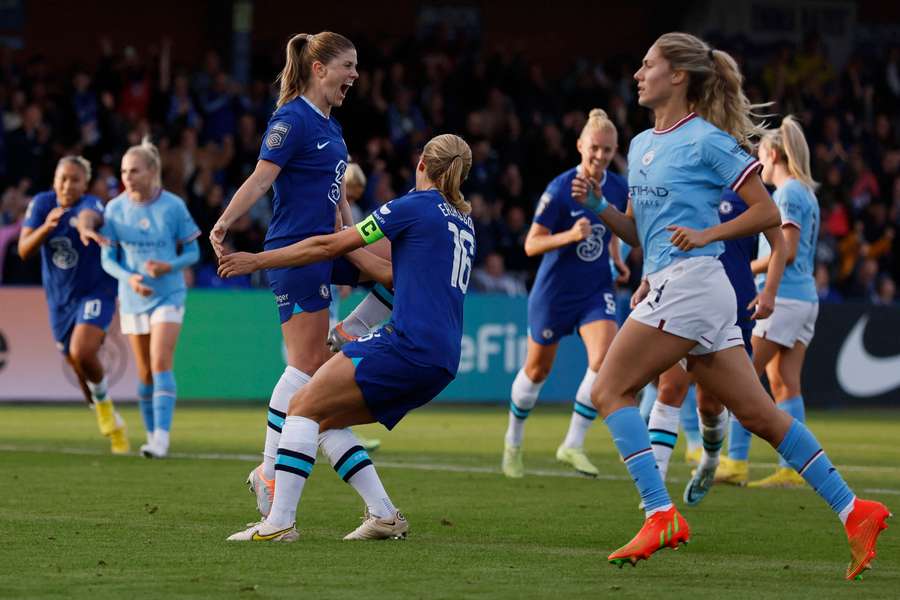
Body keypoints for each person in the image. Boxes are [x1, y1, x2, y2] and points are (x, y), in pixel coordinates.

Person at [579, 32, 888, 579]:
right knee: (760, 414)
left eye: (647, 64)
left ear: (678, 76)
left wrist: (708, 235)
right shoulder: (644, 144)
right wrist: (600, 205)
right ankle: (854, 510)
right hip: (685, 285)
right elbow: (639, 235)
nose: (637, 74)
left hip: (694, 284)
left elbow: (768, 216)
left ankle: (660, 512)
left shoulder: (706, 141)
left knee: (608, 388)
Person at [219, 134, 474, 542]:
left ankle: (279, 522)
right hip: (441, 360)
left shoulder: (412, 207)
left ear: (422, 162)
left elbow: (327, 245)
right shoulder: (462, 220)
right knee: (323, 417)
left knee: (301, 406)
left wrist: (258, 260)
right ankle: (385, 515)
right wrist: (347, 226)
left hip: (406, 345)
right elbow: (393, 276)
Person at [209, 32, 362, 515]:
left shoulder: (332, 126)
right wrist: (225, 222)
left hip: (328, 248)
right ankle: (268, 470)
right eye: (348, 66)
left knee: (391, 278)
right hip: (296, 253)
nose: (355, 76)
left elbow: (334, 196)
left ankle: (352, 334)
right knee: (305, 367)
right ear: (319, 69)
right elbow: (261, 177)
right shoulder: (291, 118)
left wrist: (351, 239)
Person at [501, 108, 628, 478]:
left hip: (595, 289)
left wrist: (617, 258)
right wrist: (571, 236)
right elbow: (531, 245)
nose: (600, 156)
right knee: (537, 370)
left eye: (607, 150)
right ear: (579, 146)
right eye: (594, 148)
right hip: (555, 292)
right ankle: (513, 441)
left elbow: (617, 226)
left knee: (605, 358)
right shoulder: (560, 189)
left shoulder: (618, 186)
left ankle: (572, 443)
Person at [643, 189, 785, 503]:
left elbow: (780, 243)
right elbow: (661, 239)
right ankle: (655, 496)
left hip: (736, 307)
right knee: (670, 389)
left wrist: (770, 292)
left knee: (710, 404)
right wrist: (646, 280)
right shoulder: (691, 179)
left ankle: (709, 461)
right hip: (688, 301)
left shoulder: (748, 186)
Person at [716, 117, 823, 488]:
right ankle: (792, 469)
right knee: (784, 384)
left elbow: (787, 251)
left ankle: (735, 463)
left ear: (773, 153)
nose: (756, 161)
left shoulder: (789, 194)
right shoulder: (806, 192)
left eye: (760, 152)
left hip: (786, 296)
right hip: (805, 298)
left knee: (742, 377)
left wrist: (750, 270)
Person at [17, 156, 128, 454]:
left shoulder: (90, 203)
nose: (68, 185)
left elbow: (87, 217)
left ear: (85, 184)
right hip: (60, 300)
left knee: (83, 351)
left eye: (75, 180)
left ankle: (107, 413)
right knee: (79, 368)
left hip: (96, 291)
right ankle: (112, 420)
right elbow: (24, 250)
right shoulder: (41, 204)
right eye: (62, 178)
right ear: (54, 180)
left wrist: (84, 229)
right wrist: (46, 228)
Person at [100, 139, 200, 459]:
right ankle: (150, 435)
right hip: (132, 297)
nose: (128, 177)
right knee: (143, 372)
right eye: (124, 171)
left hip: (168, 294)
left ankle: (161, 439)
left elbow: (194, 251)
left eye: (135, 170)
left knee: (160, 362)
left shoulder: (173, 206)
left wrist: (169, 266)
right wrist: (129, 277)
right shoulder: (114, 209)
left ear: (152, 171)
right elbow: (107, 259)